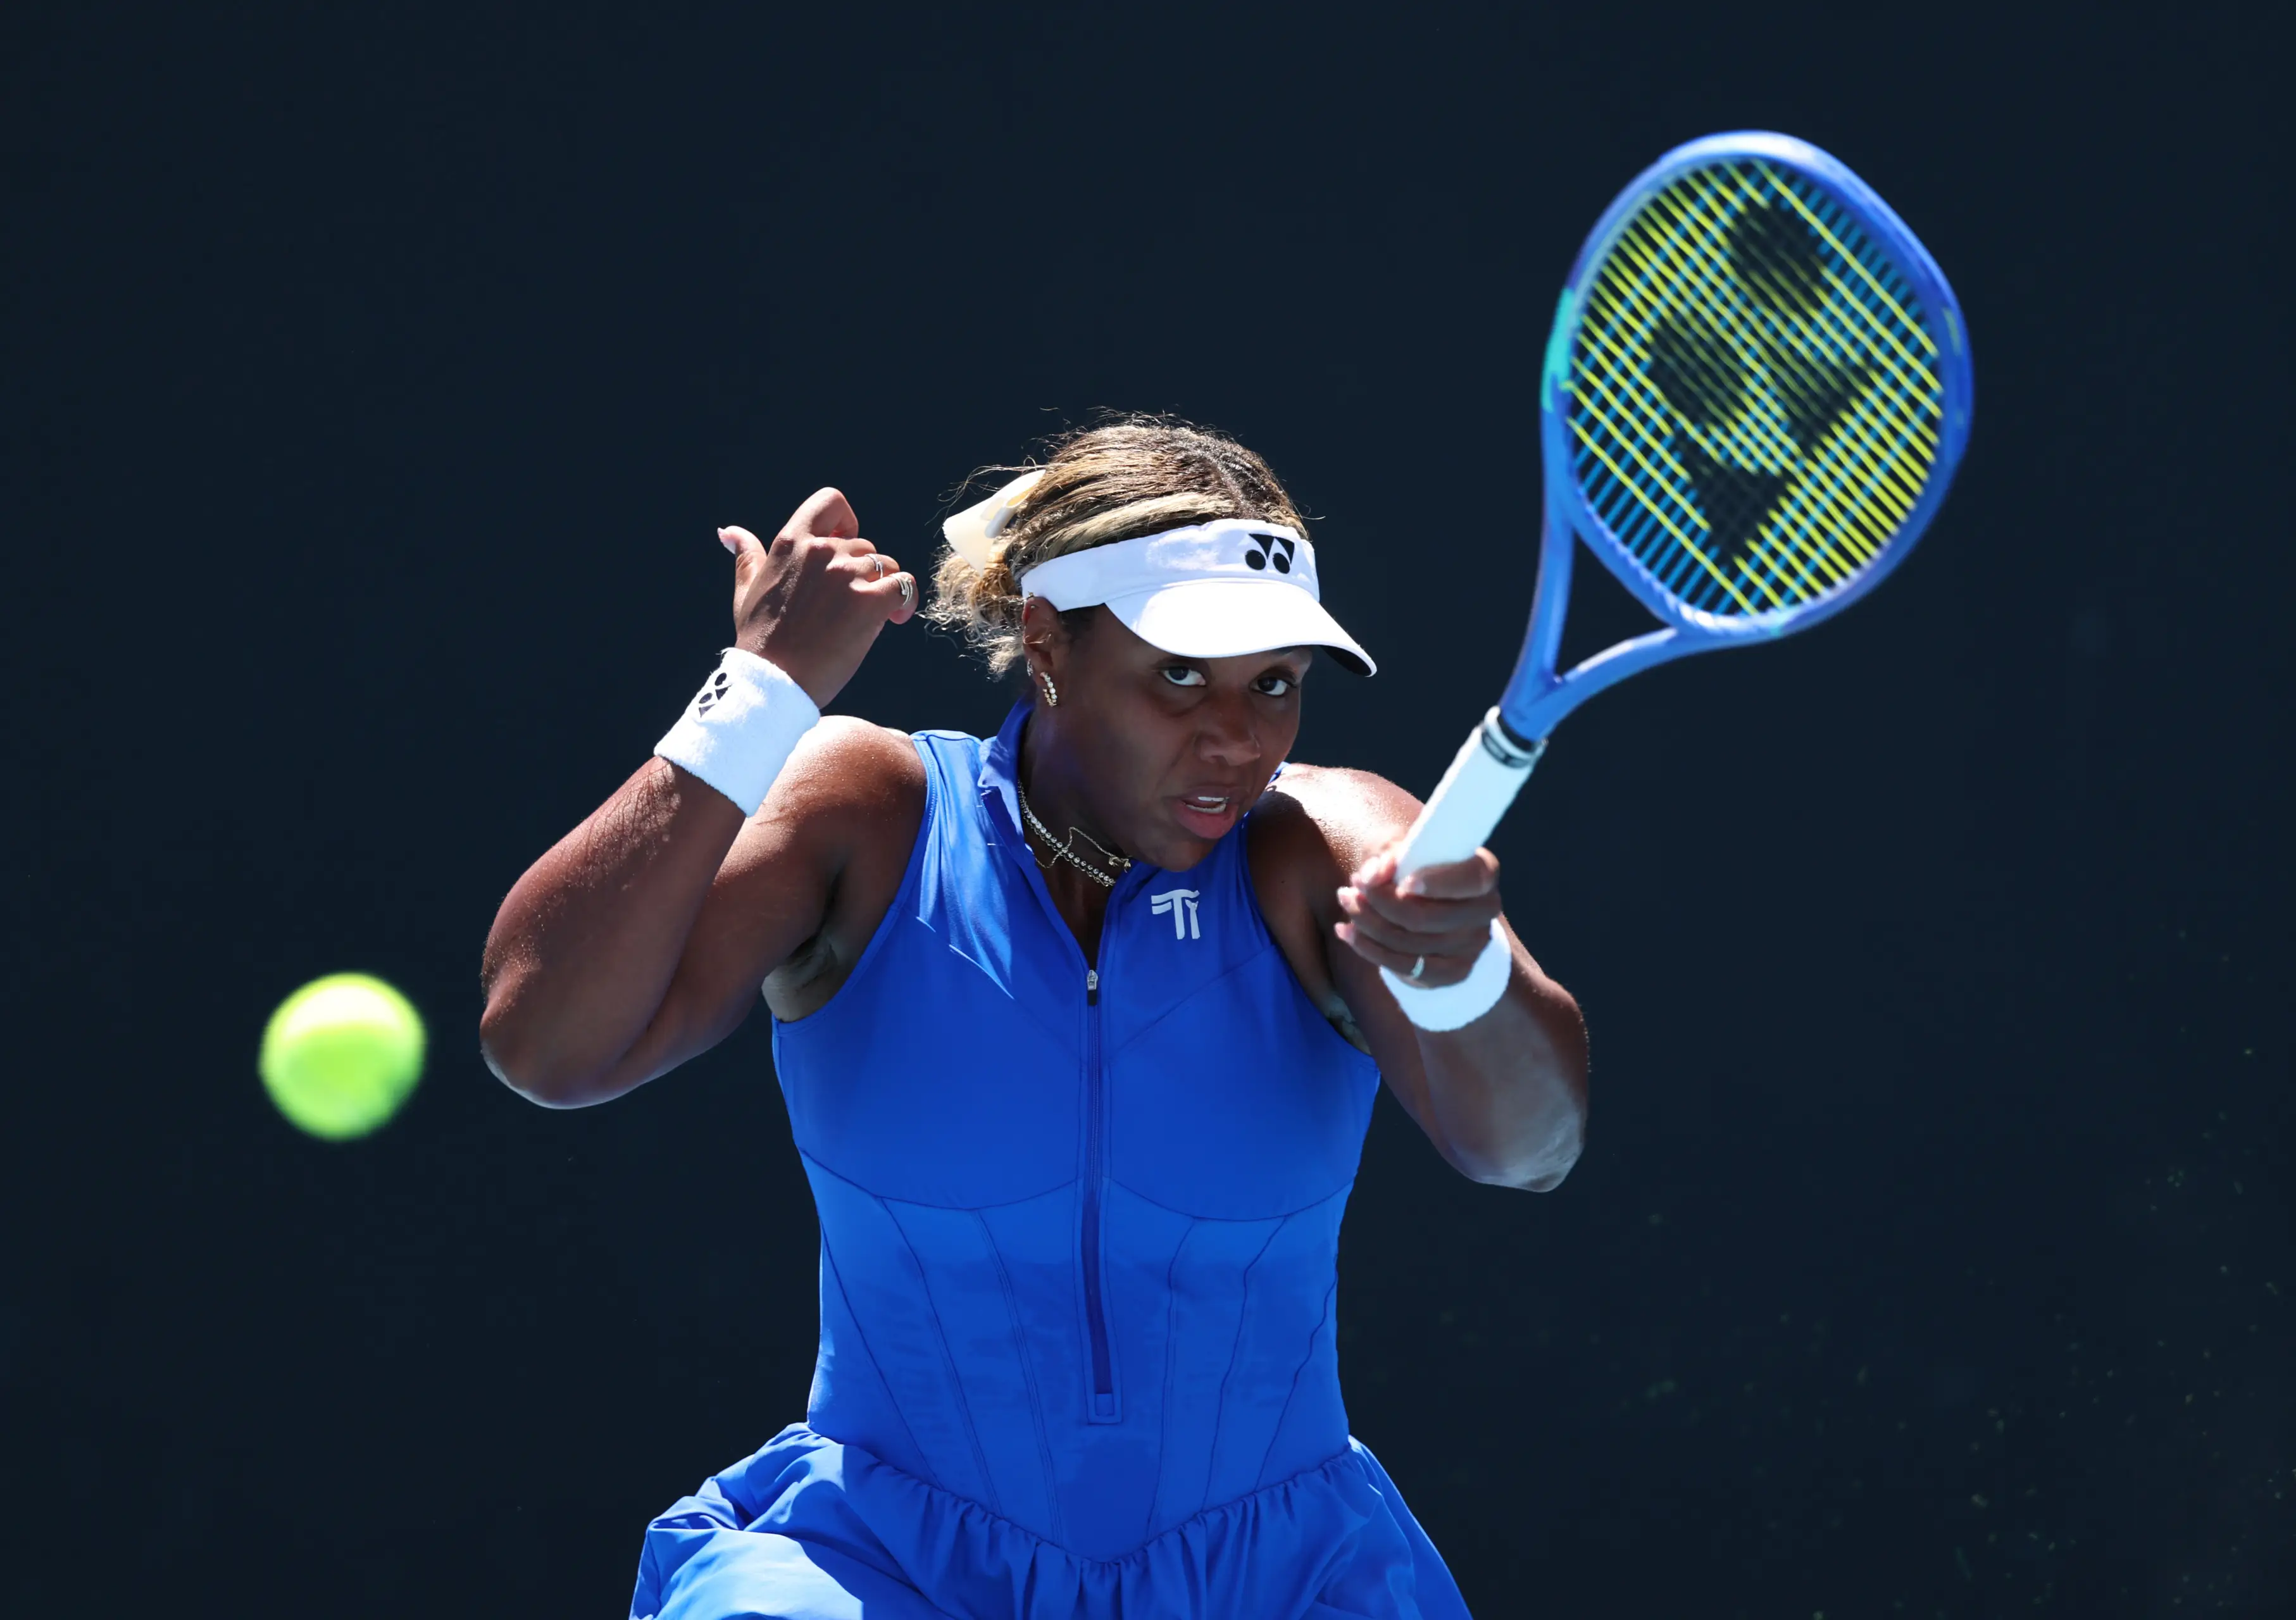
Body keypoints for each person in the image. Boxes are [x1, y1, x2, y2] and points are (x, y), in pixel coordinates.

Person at [480, 420, 1591, 1619]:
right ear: (1047, 641)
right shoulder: (873, 812)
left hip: (1281, 1583)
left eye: (1274, 684)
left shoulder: (1318, 845)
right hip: (880, 1562)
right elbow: (546, 1042)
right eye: (1179, 675)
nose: (1238, 736)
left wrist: (1462, 973)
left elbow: (1529, 1150)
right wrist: (761, 694)